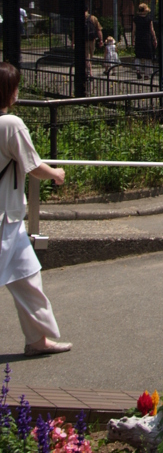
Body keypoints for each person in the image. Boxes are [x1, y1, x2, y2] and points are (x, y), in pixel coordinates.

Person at [0, 62, 72, 356]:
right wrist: (56, 173)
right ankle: (37, 340)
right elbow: (33, 166)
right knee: (27, 278)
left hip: (10, 221)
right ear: (10, 91)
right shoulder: (11, 125)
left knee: (28, 277)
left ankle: (37, 340)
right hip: (5, 220)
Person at [132, 3, 157, 80]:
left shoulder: (135, 19)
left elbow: (133, 30)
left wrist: (133, 39)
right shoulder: (148, 19)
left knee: (138, 56)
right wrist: (154, 38)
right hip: (147, 38)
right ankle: (147, 74)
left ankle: (138, 70)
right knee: (148, 57)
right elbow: (152, 30)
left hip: (139, 38)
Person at [84, 11, 103, 78]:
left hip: (84, 41)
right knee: (90, 57)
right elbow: (99, 29)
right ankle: (89, 72)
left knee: (86, 57)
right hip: (92, 40)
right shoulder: (93, 18)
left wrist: (73, 42)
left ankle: (88, 72)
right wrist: (101, 40)